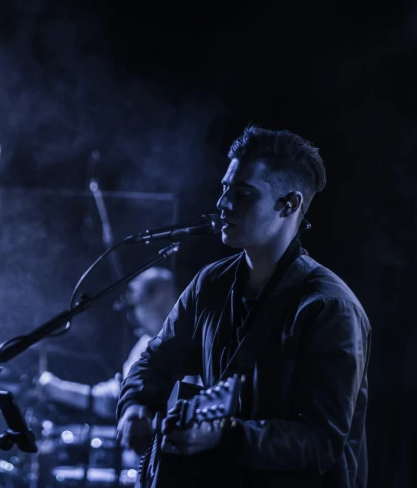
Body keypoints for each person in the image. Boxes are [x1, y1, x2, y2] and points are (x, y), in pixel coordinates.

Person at [117, 126, 371, 487]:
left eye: (243, 194)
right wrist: (135, 407)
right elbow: (154, 361)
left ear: (289, 203)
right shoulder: (210, 284)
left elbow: (322, 443)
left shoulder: (329, 308)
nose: (223, 204)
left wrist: (228, 436)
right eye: (225, 189)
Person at [38, 267, 200, 419]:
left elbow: (113, 401)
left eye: (135, 306)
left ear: (157, 299)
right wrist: (57, 389)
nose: (131, 318)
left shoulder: (199, 337)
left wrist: (57, 389)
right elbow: (120, 395)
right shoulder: (145, 344)